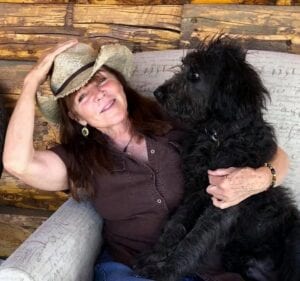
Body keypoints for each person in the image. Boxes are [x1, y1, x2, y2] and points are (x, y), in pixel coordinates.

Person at [3, 40, 289, 281]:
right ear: (77, 117)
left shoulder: (175, 116)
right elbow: (17, 163)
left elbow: (268, 149)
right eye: (82, 97)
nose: (99, 94)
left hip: (210, 269)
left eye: (101, 80)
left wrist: (262, 178)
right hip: (132, 269)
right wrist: (31, 83)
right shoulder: (78, 159)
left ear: (119, 83)